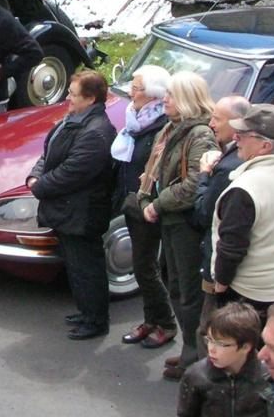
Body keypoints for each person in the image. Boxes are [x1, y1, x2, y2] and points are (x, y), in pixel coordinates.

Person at [26, 70, 117, 340]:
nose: (67, 97)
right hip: (69, 211)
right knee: (76, 267)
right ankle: (86, 312)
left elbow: (72, 172)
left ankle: (96, 320)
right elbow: (49, 152)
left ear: (90, 98)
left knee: (87, 268)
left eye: (73, 94)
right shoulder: (75, 120)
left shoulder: (95, 133)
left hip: (82, 212)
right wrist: (35, 173)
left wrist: (39, 186)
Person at [140, 71, 219, 380]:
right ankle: (190, 351)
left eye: (171, 95)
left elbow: (193, 185)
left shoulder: (199, 135)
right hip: (172, 222)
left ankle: (197, 360)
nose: (165, 100)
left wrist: (158, 204)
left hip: (184, 225)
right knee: (176, 286)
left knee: (189, 294)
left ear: (186, 99)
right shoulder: (173, 129)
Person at [211, 104, 274, 318]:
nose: (236, 138)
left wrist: (220, 284)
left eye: (244, 134)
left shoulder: (245, 189)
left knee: (243, 348)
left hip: (250, 293)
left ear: (265, 146)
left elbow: (231, 248)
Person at [115, 65, 176, 348]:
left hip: (148, 206)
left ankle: (165, 323)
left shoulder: (160, 128)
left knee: (146, 267)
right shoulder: (136, 119)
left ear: (153, 96)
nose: (130, 91)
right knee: (143, 267)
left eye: (136, 88)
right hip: (132, 203)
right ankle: (151, 320)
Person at [196, 95, 252, 343]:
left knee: (209, 328)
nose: (211, 124)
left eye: (217, 118)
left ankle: (201, 373)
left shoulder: (228, 168)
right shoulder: (233, 155)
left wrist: (204, 175)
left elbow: (204, 212)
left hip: (219, 265)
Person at [176, 303, 269, 417]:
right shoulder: (196, 376)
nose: (211, 349)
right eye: (209, 340)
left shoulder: (268, 377)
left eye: (220, 344)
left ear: (246, 347)